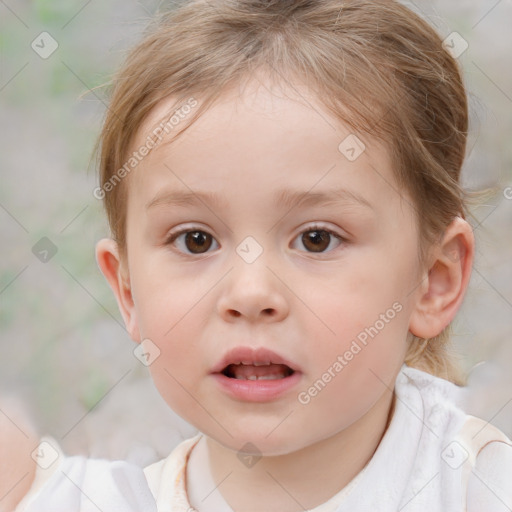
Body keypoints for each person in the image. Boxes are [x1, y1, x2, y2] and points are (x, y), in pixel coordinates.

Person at [7, 0, 512, 510]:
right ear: (129, 289)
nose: (250, 294)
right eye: (195, 240)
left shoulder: (478, 486)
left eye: (317, 239)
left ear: (434, 279)